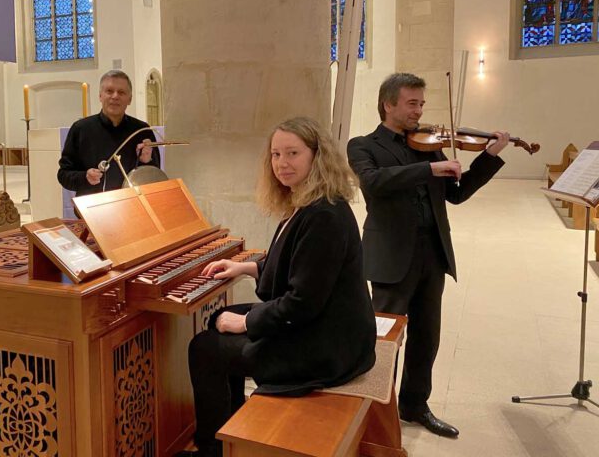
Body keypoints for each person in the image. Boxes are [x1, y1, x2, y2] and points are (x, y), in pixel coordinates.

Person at [178, 117, 376, 457]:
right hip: (325, 324)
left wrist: (246, 323)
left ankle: (212, 449)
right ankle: (233, 423)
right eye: (275, 154)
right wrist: (245, 267)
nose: (282, 164)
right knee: (218, 320)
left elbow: (303, 301)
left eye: (293, 153)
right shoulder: (308, 202)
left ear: (317, 156)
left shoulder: (323, 215)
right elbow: (295, 264)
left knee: (204, 348)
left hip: (327, 346)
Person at [346, 73, 510, 438]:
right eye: (411, 103)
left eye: (421, 103)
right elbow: (374, 182)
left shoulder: (430, 144)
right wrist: (429, 168)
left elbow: (456, 194)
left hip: (432, 251)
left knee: (426, 336)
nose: (419, 111)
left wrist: (488, 157)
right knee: (385, 338)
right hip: (391, 254)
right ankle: (375, 412)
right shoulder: (363, 145)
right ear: (388, 104)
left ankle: (415, 405)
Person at [57, 70, 160, 196]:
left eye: (121, 92)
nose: (115, 96)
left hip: (131, 207)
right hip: (92, 208)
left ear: (130, 99)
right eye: (109, 91)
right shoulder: (81, 129)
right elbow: (63, 175)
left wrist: (146, 160)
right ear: (100, 96)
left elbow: (155, 176)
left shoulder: (142, 130)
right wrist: (85, 177)